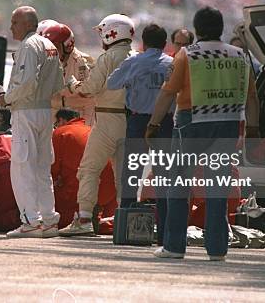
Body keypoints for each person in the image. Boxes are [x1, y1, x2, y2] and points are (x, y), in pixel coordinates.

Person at [146, 6, 259, 261]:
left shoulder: (188, 54)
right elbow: (252, 97)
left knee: (179, 184)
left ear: (197, 29)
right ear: (221, 28)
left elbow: (167, 93)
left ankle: (174, 246)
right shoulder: (240, 55)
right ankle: (217, 250)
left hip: (191, 124)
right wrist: (253, 128)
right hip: (228, 125)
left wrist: (153, 125)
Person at [59, 13, 134, 236]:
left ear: (113, 33)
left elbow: (90, 88)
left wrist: (74, 86)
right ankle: (125, 220)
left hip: (107, 118)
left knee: (89, 170)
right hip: (130, 120)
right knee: (125, 175)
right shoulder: (135, 56)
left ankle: (83, 219)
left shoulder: (108, 58)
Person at [0, 6, 65, 238]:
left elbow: (26, 82)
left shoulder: (29, 45)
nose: (11, 27)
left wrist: (6, 99)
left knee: (22, 167)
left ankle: (30, 221)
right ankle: (48, 220)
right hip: (45, 111)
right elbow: (58, 83)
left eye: (15, 22)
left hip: (26, 111)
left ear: (27, 24)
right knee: (41, 168)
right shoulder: (50, 46)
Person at [107, 24, 174, 243]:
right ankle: (164, 233)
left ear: (143, 43)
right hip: (164, 123)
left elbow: (112, 83)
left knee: (132, 174)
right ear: (165, 44)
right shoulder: (171, 64)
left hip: (138, 120)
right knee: (164, 177)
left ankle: (126, 228)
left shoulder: (134, 61)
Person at [52, 109, 117, 229]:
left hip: (83, 190)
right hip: (110, 191)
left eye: (56, 124)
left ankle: (83, 221)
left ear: (61, 120)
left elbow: (51, 172)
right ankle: (101, 221)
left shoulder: (61, 133)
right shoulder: (91, 130)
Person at [39, 21, 96, 124]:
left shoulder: (83, 63)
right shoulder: (46, 63)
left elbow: (91, 97)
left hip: (80, 123)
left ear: (67, 46)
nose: (51, 51)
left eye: (55, 47)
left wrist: (62, 102)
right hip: (51, 123)